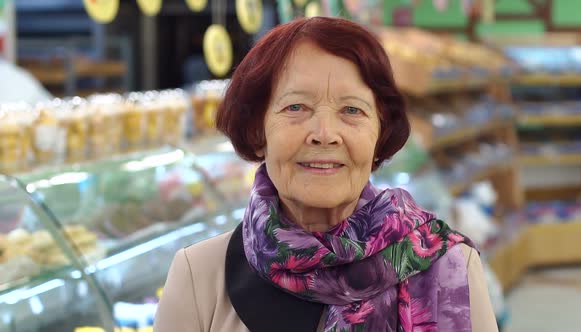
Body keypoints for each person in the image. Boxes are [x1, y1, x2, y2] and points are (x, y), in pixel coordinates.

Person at [155, 17, 497, 332]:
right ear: (258, 133)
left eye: (351, 110)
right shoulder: (197, 276)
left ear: (380, 135)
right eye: (296, 107)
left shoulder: (451, 268)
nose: (324, 133)